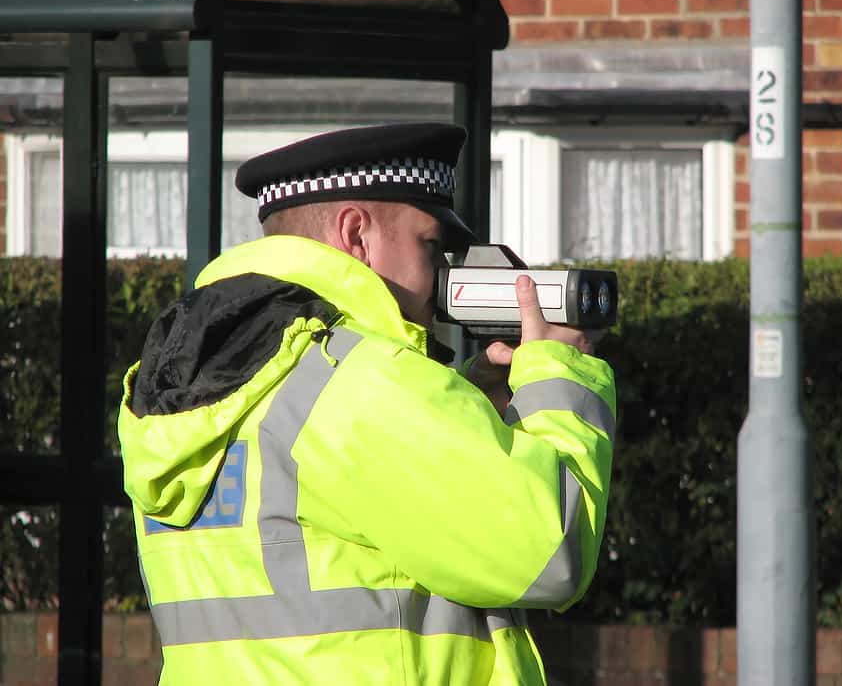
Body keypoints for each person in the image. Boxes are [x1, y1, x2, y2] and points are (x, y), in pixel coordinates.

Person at [118, 123, 615, 685]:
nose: (442, 277)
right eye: (432, 245)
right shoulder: (356, 381)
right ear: (357, 234)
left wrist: (467, 410)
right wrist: (560, 378)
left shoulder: (189, 385)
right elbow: (549, 553)